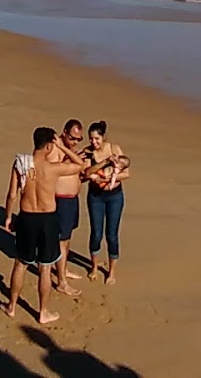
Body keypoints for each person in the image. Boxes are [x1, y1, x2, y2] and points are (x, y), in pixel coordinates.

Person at [1, 126, 87, 324]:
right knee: (45, 268)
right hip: (47, 219)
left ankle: (12, 306)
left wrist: (7, 217)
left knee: (20, 264)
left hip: (26, 216)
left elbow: (12, 194)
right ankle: (43, 312)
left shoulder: (20, 164)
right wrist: (63, 148)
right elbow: (80, 165)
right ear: (50, 145)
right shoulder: (53, 168)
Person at [83, 121, 129, 284]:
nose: (93, 142)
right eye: (91, 139)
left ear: (103, 137)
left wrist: (109, 178)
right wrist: (104, 163)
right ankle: (94, 266)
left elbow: (126, 173)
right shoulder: (89, 153)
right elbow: (87, 172)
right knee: (96, 233)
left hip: (114, 196)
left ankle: (111, 271)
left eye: (96, 139)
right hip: (96, 196)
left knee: (112, 234)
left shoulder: (115, 149)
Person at [50, 119, 87, 295]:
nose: (75, 142)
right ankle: (61, 282)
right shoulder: (54, 147)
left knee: (67, 237)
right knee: (61, 240)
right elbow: (52, 169)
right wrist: (69, 154)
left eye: (79, 139)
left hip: (72, 199)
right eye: (72, 138)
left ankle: (62, 269)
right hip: (60, 199)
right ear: (64, 132)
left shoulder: (69, 148)